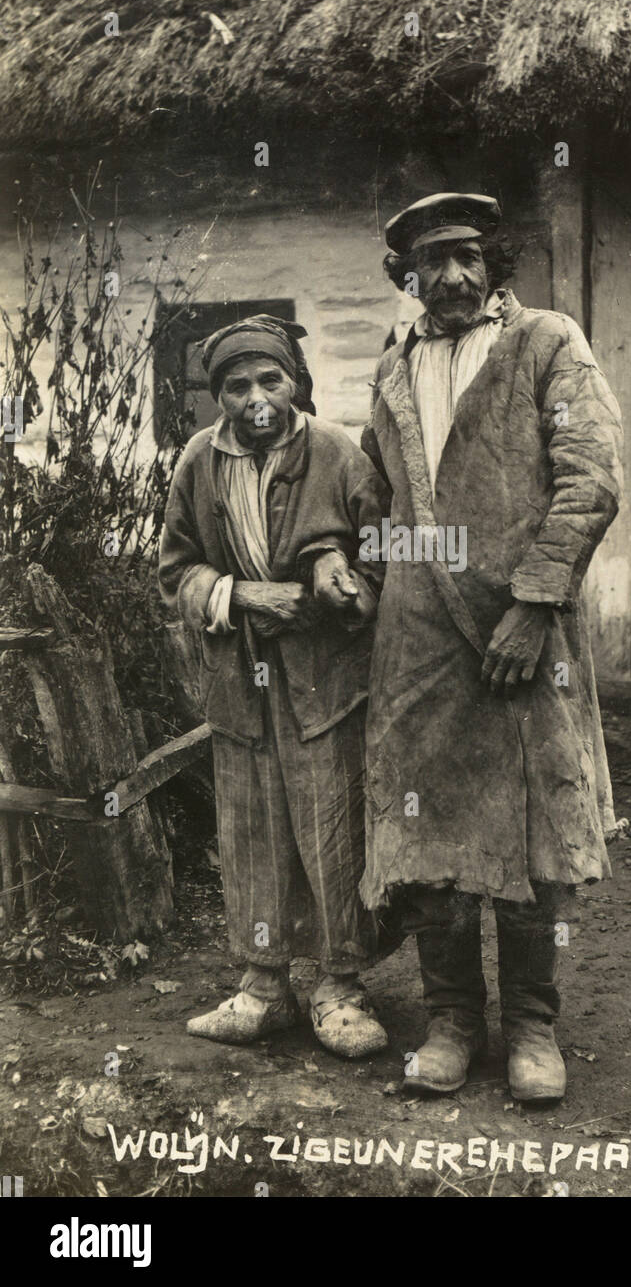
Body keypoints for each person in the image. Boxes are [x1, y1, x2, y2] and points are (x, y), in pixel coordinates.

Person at [360, 194, 624, 1100]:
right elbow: (379, 497)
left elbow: (590, 478)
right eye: (433, 261)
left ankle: (533, 1029)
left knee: (529, 830)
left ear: (494, 261)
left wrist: (535, 601)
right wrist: (354, 569)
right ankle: (450, 1022)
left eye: (469, 255)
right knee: (424, 824)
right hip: (417, 639)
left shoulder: (548, 342)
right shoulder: (392, 370)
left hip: (523, 630)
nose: (454, 276)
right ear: (409, 275)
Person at [159, 314, 393, 1057]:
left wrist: (342, 580)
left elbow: (383, 554)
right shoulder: (199, 459)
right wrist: (239, 595)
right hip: (239, 681)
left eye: (270, 380)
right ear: (215, 395)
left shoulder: (335, 452)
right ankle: (263, 987)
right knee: (251, 828)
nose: (255, 397)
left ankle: (339, 988)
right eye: (235, 385)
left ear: (295, 382)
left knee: (330, 827)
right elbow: (176, 568)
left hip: (323, 681)